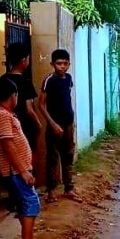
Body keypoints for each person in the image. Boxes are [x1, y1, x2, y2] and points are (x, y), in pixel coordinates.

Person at [0, 77, 48, 239]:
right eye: (17, 95)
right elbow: (7, 144)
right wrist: (24, 171)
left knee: (29, 205)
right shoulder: (2, 115)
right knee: (30, 204)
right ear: (12, 96)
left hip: (19, 170)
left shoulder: (8, 115)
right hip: (16, 172)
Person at [39, 49, 79, 203]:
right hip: (54, 125)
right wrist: (53, 124)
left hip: (68, 124)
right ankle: (51, 192)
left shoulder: (69, 78)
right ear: (52, 64)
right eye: (58, 63)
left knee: (68, 157)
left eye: (65, 63)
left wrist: (71, 122)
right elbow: (41, 105)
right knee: (52, 159)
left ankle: (69, 189)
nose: (62, 66)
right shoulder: (49, 80)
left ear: (69, 64)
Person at [0, 43, 42, 157]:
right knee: (28, 157)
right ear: (24, 60)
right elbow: (29, 110)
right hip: (25, 126)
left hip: (6, 126)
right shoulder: (25, 82)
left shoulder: (1, 80)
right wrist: (38, 125)